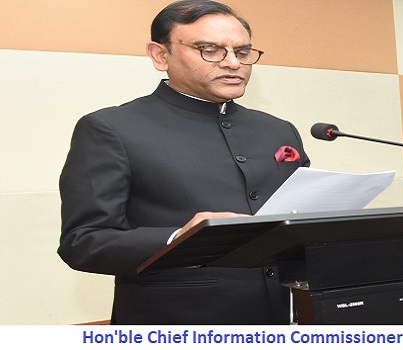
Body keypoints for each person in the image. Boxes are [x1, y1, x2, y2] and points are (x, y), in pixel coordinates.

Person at [58, 0, 308, 324]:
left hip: (286, 316)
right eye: (210, 50)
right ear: (161, 55)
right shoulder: (112, 128)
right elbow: (83, 241)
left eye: (243, 52)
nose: (233, 63)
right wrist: (178, 238)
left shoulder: (278, 129)